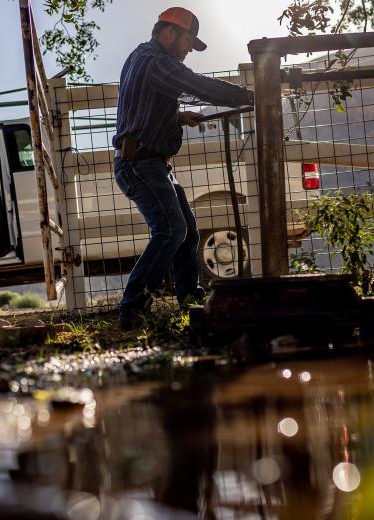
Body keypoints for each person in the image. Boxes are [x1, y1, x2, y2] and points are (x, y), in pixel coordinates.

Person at [112, 6, 254, 329]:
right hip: (141, 163)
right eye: (188, 41)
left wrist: (176, 117)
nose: (189, 50)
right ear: (169, 32)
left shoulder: (141, 58)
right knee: (171, 230)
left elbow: (140, 106)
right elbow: (196, 85)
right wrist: (249, 96)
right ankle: (132, 308)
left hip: (149, 162)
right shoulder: (157, 62)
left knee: (186, 229)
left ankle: (190, 300)